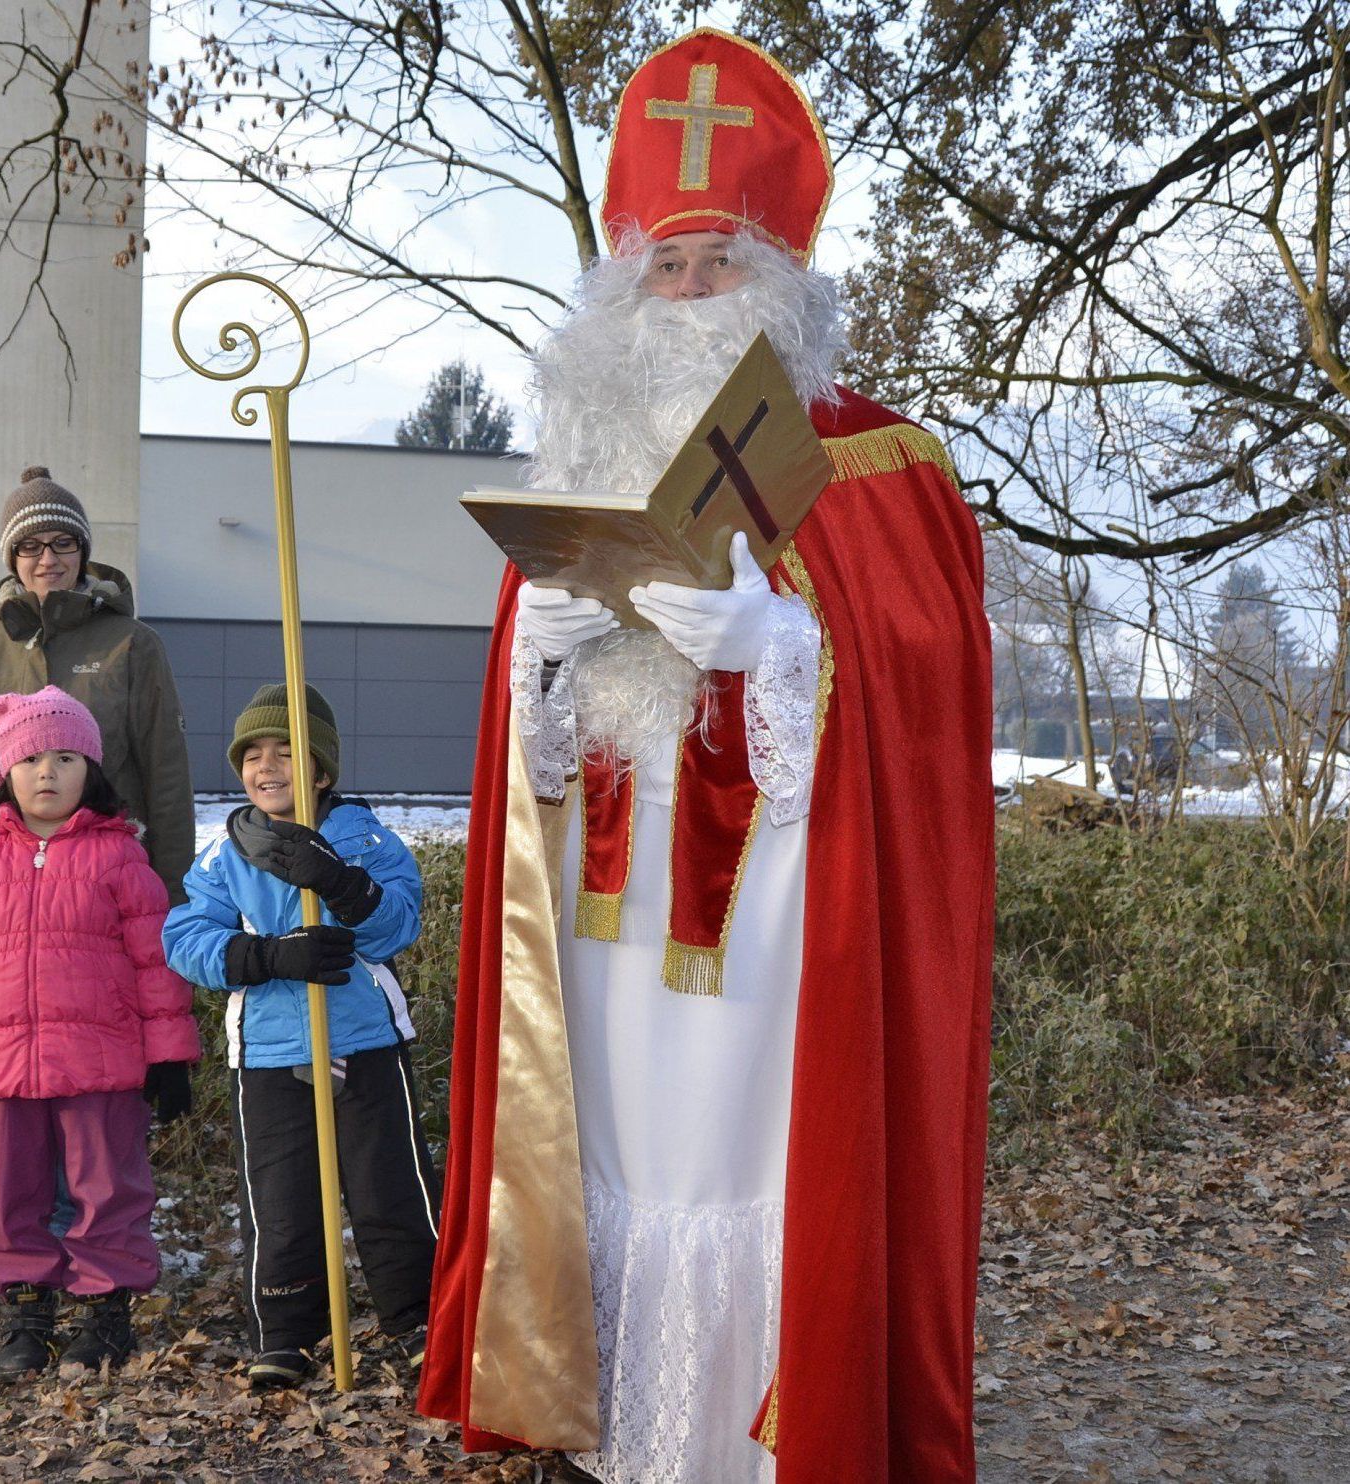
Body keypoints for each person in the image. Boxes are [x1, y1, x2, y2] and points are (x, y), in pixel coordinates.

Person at [419, 29, 995, 1484]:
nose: (684, 297)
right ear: (619, 292)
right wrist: (534, 658)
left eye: (716, 265)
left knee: (752, 1162)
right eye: (660, 271)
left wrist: (786, 648)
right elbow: (522, 785)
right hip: (608, 931)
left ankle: (759, 1444)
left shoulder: (880, 465)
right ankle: (606, 1421)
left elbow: (931, 701)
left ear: (781, 283)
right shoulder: (572, 470)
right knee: (612, 1149)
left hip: (788, 923)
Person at [0, 687, 199, 1376]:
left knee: (108, 1189)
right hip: (2, 1066)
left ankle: (106, 1311)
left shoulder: (121, 858)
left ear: (90, 769)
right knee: (10, 1194)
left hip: (102, 1062)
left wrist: (170, 1057)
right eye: (31, 758)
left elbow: (156, 965)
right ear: (6, 773)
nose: (47, 772)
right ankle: (27, 1313)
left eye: (65, 757)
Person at [163, 683, 438, 1390]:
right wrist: (266, 957)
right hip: (271, 1051)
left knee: (389, 1191)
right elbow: (186, 935)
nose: (267, 766)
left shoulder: (365, 840)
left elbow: (398, 922)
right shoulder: (226, 855)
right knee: (280, 1200)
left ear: (320, 770)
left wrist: (344, 886)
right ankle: (286, 1331)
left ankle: (420, 1317)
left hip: (365, 1040)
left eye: (286, 751)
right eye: (252, 754)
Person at [0, 465, 195, 897]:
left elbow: (166, 775)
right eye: (30, 546)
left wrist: (176, 897)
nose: (48, 560)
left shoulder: (132, 645)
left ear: (82, 550)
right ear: (12, 557)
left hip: (107, 882)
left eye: (63, 543)